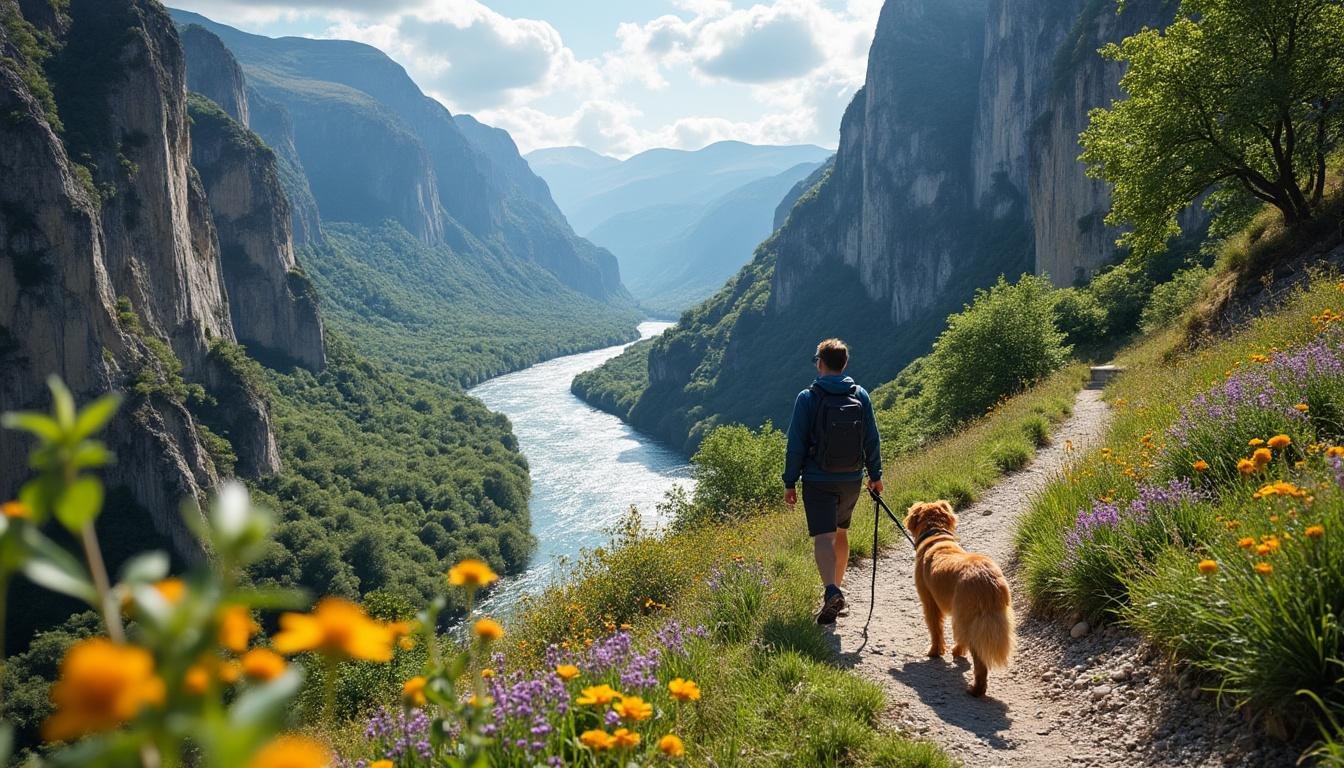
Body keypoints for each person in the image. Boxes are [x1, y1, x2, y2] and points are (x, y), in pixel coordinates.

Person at [782, 338, 883, 624]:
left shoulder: (807, 398)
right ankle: (836, 591)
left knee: (823, 537)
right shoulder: (860, 394)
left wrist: (790, 481)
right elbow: (872, 440)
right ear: (845, 364)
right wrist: (876, 476)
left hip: (818, 479)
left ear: (820, 363)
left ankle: (830, 591)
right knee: (840, 533)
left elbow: (796, 445)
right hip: (851, 478)